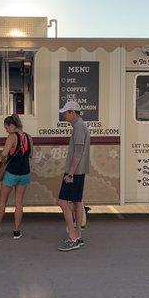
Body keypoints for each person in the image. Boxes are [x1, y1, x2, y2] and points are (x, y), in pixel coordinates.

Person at [0, 114, 32, 239]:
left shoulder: (12, 137)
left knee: (3, 201)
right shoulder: (29, 137)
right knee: (19, 202)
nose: (6, 130)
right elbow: (31, 155)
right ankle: (17, 231)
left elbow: (4, 153)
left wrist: (1, 161)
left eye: (6, 127)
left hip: (11, 173)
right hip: (25, 174)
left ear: (12, 125)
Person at [57, 101, 90, 252]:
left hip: (74, 172)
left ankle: (73, 238)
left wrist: (70, 173)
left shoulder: (78, 127)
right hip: (78, 171)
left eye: (66, 113)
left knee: (63, 202)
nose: (64, 115)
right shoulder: (80, 125)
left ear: (73, 112)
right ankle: (78, 236)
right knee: (77, 202)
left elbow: (78, 153)